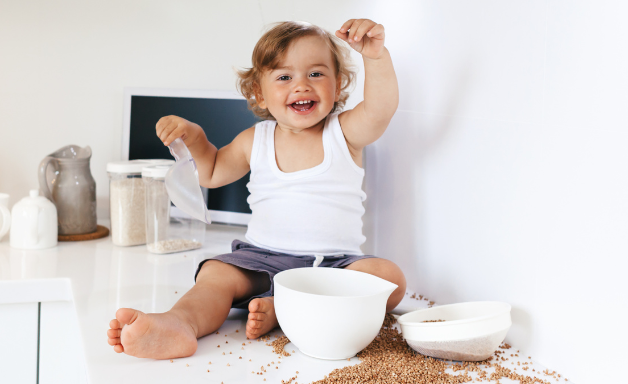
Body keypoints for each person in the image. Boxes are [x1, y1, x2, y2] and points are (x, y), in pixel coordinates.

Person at [107, 18, 406, 359]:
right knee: (216, 275)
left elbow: (381, 109)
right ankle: (180, 323)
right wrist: (196, 139)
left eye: (316, 74)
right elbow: (213, 171)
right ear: (259, 94)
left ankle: (282, 308)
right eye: (284, 77)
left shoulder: (344, 132)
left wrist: (376, 57)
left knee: (387, 278)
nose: (302, 86)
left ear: (338, 86)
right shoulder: (255, 140)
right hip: (260, 258)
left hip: (334, 267)